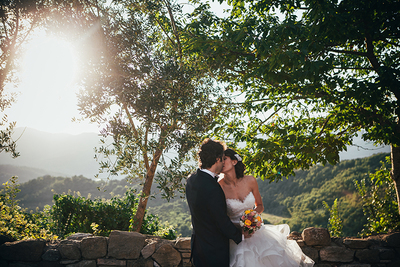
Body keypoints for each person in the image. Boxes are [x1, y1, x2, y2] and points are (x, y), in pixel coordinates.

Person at [219, 148, 315, 267]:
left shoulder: (250, 180)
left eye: (224, 159)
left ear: (234, 161)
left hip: (256, 233)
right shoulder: (219, 187)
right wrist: (240, 228)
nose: (221, 162)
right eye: (219, 160)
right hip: (235, 236)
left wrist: (253, 219)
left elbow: (260, 206)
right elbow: (220, 215)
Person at [186, 139, 243, 267]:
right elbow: (221, 220)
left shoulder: (191, 179)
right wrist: (241, 238)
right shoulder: (213, 188)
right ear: (217, 159)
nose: (223, 162)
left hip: (198, 248)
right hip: (214, 252)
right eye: (222, 159)